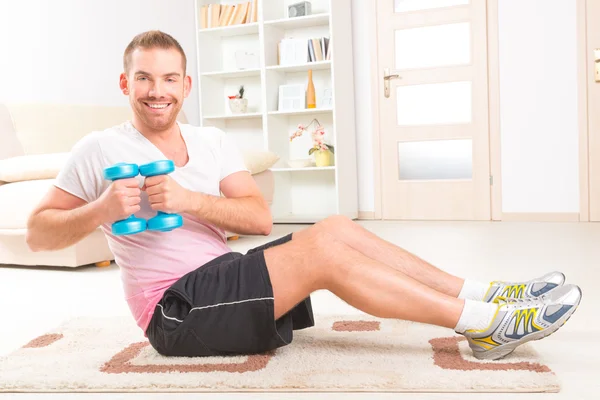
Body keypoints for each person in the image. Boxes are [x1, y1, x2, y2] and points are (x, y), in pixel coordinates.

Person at [25, 30, 582, 361]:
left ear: (186, 86)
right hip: (175, 312)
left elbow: (259, 218)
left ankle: (490, 294)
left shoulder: (210, 141)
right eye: (144, 79)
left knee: (334, 228)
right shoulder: (98, 148)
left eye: (170, 79)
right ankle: (482, 327)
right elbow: (38, 231)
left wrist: (188, 201)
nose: (157, 92)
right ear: (126, 84)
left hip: (225, 278)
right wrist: (100, 209)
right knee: (323, 255)